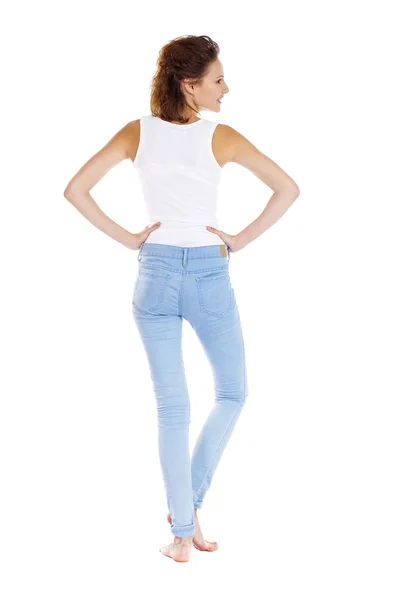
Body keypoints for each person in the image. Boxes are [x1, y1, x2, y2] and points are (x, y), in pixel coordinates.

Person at [64, 34, 300, 563]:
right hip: (207, 277)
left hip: (154, 274)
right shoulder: (223, 138)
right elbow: (288, 188)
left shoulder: (135, 133)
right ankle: (186, 515)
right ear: (188, 84)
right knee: (232, 392)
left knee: (173, 407)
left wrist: (130, 238)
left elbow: (75, 189)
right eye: (217, 80)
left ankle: (180, 533)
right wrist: (236, 240)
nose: (226, 89)